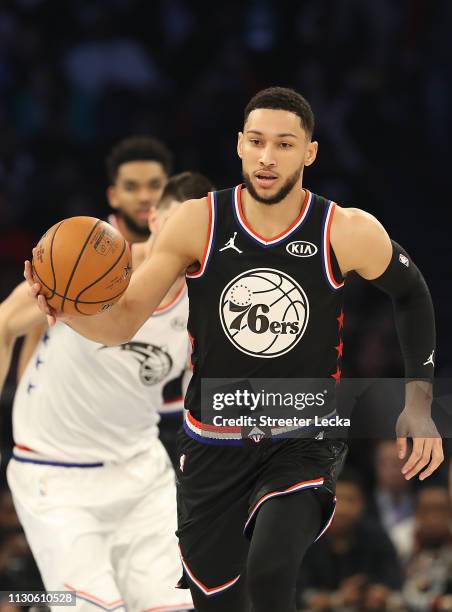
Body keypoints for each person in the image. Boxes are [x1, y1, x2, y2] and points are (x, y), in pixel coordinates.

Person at [26, 87, 444, 612]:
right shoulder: (197, 222)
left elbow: (412, 293)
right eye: (257, 141)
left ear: (310, 152)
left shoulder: (344, 229)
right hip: (210, 443)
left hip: (302, 437)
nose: (268, 157)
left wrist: (419, 403)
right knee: (217, 600)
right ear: (239, 146)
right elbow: (124, 320)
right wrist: (65, 307)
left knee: (270, 575)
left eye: (285, 144)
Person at [1, 172, 214, 611]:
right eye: (176, 222)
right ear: (153, 217)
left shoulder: (208, 306)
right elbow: (3, 326)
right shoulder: (86, 261)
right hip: (54, 473)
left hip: (141, 473)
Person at [296, 469, 403, 611]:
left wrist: (378, 594)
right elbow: (300, 594)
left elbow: (394, 585)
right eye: (336, 499)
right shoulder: (306, 538)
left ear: (362, 504)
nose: (342, 509)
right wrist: (338, 598)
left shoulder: (377, 537)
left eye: (350, 500)